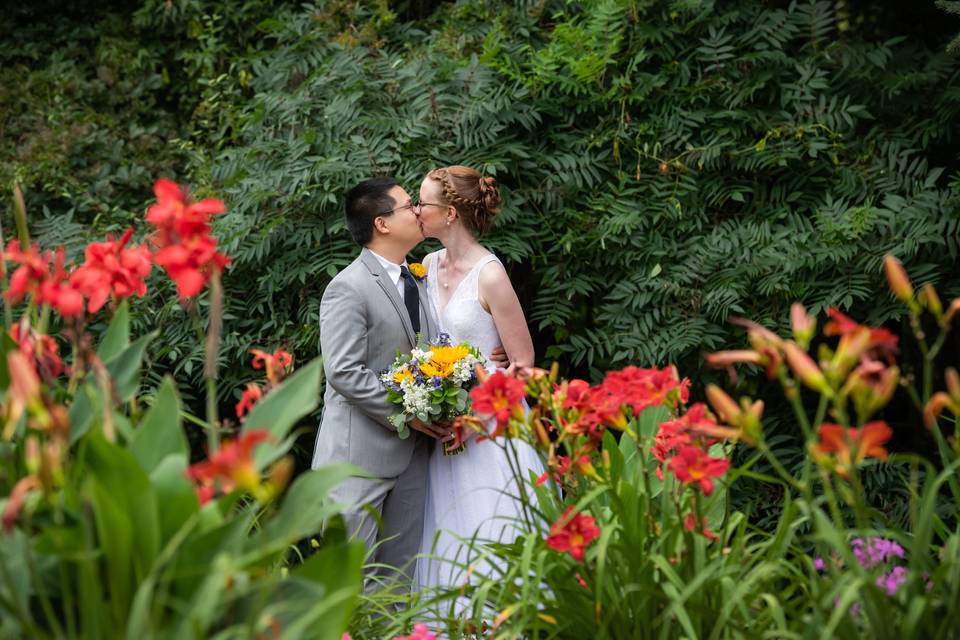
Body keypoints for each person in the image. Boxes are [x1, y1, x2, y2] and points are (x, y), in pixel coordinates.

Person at [413, 165, 545, 597]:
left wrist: (472, 414)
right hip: (442, 433)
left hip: (490, 433)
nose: (415, 210)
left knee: (492, 542)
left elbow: (523, 364)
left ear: (450, 213)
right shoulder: (426, 266)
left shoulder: (490, 274)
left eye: (423, 203)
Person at [311, 176, 449, 588]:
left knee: (397, 584)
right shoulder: (347, 288)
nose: (418, 212)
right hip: (358, 460)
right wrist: (409, 414)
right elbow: (343, 371)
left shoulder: (420, 280)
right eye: (409, 206)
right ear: (382, 223)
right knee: (350, 586)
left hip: (413, 461)